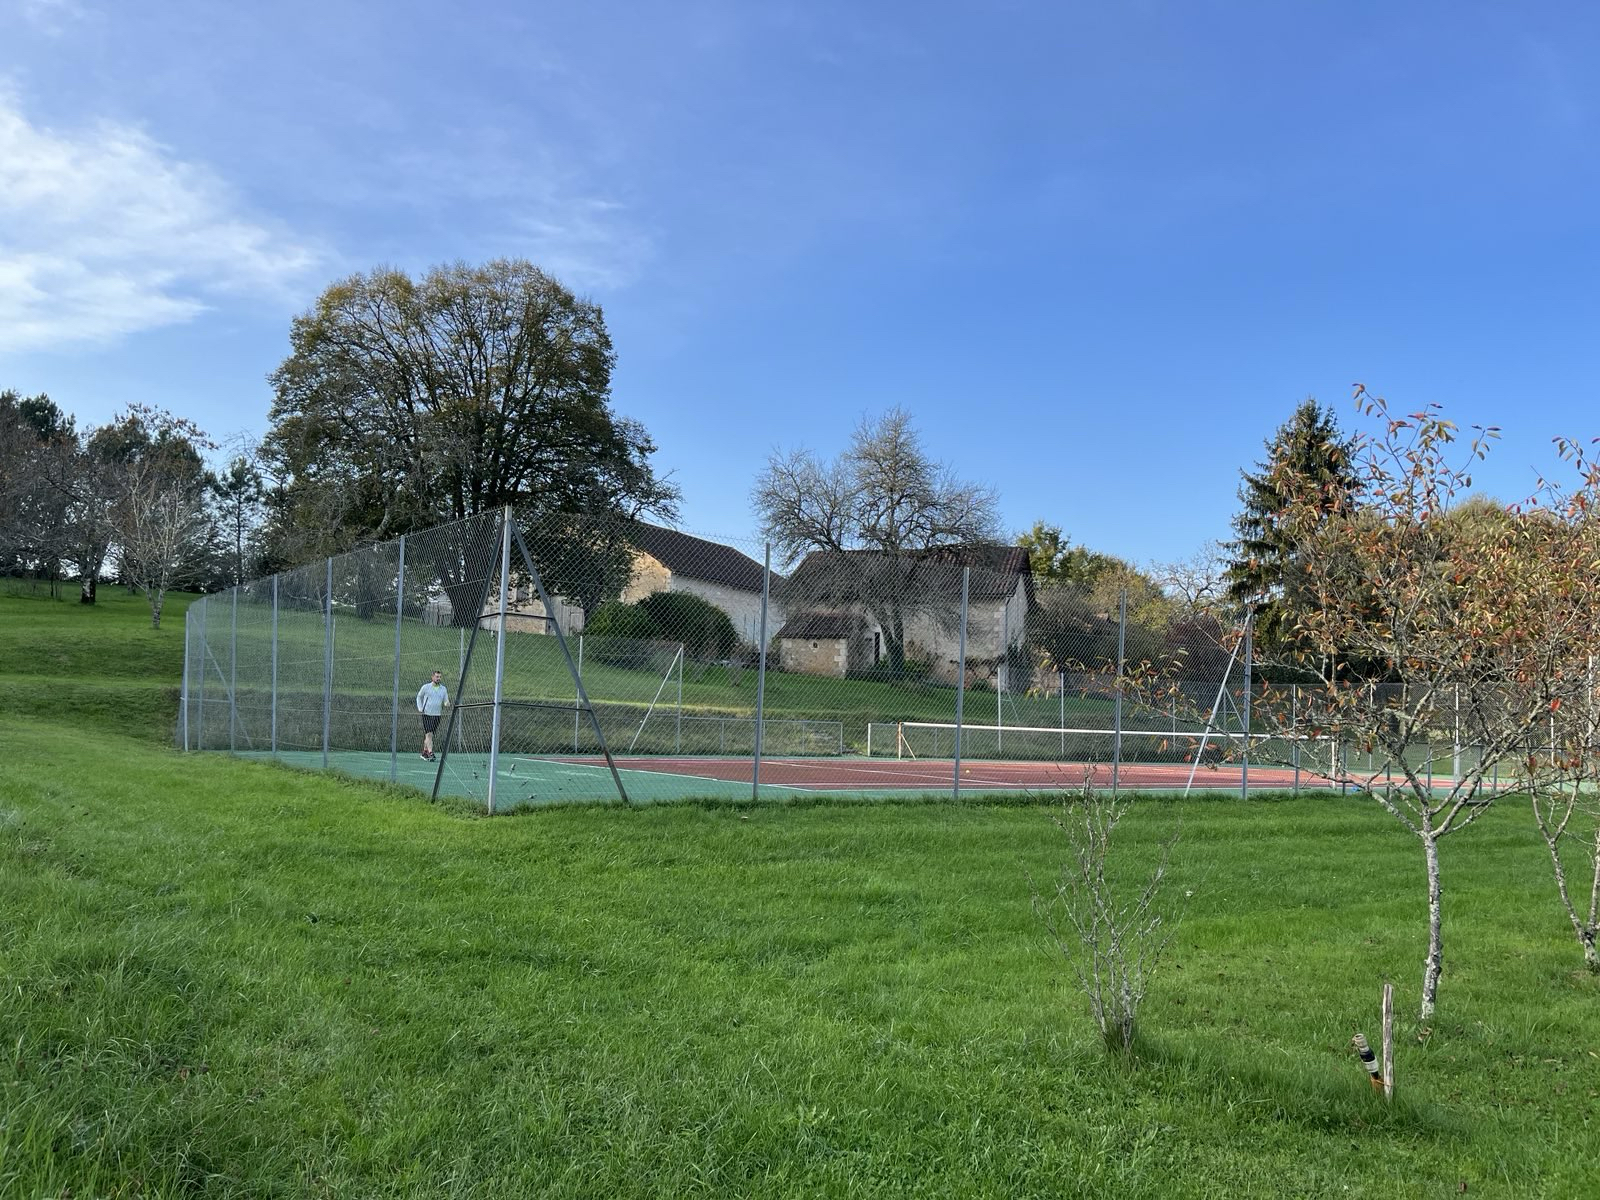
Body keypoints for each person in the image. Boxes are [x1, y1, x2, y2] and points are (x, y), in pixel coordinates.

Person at [416, 669, 449, 761]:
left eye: (440, 677)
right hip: (427, 714)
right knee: (429, 734)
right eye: (437, 676)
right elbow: (419, 697)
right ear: (432, 677)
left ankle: (424, 752)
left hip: (437, 715)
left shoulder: (443, 689)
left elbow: (446, 699)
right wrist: (420, 708)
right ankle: (430, 753)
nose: (438, 678)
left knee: (429, 735)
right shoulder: (426, 687)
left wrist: (446, 703)